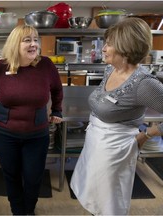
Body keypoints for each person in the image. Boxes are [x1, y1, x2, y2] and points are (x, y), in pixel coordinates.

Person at [70, 17, 163, 215]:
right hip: (95, 143)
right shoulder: (110, 69)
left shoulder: (144, 84)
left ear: (126, 46)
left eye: (109, 43)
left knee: (109, 202)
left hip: (115, 150)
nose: (103, 48)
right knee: (93, 194)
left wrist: (147, 134)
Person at [0, 25, 63, 215]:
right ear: (15, 44)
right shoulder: (2, 66)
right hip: (3, 134)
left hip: (36, 134)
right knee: (12, 175)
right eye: (27, 40)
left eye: (36, 39)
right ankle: (18, 211)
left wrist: (57, 109)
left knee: (34, 176)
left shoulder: (46, 65)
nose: (34, 44)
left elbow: (57, 90)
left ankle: (29, 209)